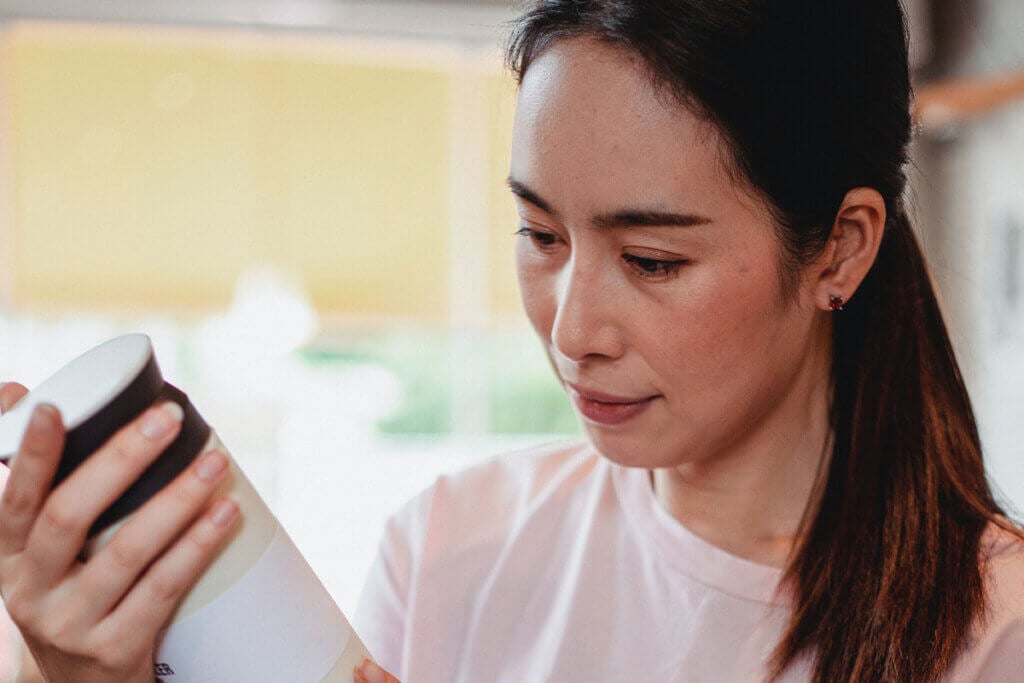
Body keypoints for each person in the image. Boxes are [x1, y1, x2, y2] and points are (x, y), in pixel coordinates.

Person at [0, 0, 1022, 681]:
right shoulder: (451, 547)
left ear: (838, 250)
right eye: (539, 235)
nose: (570, 330)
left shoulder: (992, 627)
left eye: (653, 260)